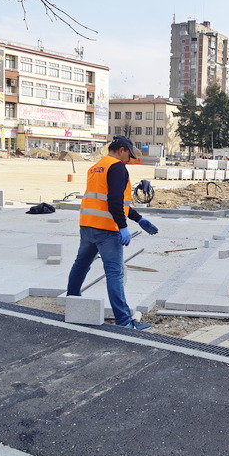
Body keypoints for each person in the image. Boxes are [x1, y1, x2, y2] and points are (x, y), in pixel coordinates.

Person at [66, 136, 159, 329]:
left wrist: (138, 218)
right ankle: (124, 321)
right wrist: (123, 226)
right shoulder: (117, 167)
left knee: (81, 264)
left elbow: (106, 200)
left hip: (88, 225)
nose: (129, 160)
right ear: (122, 150)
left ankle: (73, 302)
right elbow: (114, 201)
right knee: (114, 273)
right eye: (129, 155)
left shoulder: (97, 166)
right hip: (107, 229)